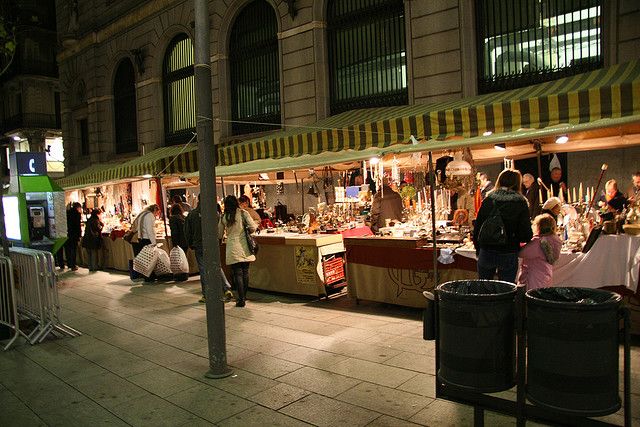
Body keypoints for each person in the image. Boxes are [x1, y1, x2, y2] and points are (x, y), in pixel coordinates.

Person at [473, 169, 533, 283]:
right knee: (506, 290)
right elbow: (526, 234)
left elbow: (477, 227)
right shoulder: (520, 203)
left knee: (484, 289)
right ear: (517, 183)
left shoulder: (488, 200)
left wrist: (479, 249)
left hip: (487, 250)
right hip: (508, 251)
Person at [185, 196, 233, 303]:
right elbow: (219, 229)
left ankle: (206, 294)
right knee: (217, 266)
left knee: (203, 270)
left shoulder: (192, 214)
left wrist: (190, 243)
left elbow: (187, 231)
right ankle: (226, 288)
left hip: (199, 244)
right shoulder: (214, 214)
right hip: (212, 243)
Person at [218, 195, 257, 307]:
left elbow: (219, 233)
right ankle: (243, 297)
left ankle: (241, 299)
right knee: (245, 272)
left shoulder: (224, 217)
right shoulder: (243, 213)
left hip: (232, 247)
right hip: (244, 246)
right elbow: (253, 228)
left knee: (237, 273)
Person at [517, 214, 562, 290]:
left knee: (531, 298)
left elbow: (522, 253)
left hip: (533, 277)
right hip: (545, 274)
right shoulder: (555, 240)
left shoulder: (538, 241)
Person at [65, 202, 83, 271]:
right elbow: (77, 226)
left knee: (68, 249)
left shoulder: (68, 213)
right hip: (74, 234)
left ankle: (69, 263)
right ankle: (73, 265)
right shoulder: (77, 214)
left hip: (68, 233)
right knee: (73, 250)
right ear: (78, 207)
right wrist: (79, 235)